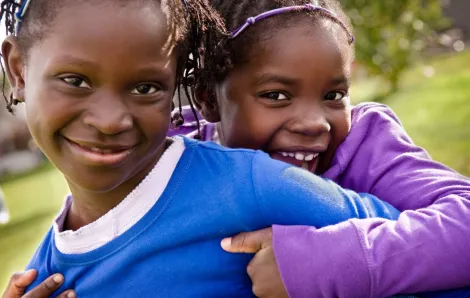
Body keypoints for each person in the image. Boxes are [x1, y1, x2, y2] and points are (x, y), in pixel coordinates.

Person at [0, 0, 401, 297]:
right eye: (75, 80)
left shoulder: (253, 184)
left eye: (145, 88)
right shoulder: (43, 276)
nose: (110, 120)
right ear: (18, 71)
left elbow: (412, 251)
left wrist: (319, 269)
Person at [168, 0, 470, 297]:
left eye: (333, 95)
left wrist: (325, 265)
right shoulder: (179, 158)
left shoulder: (363, 146)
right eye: (276, 95)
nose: (315, 124)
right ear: (209, 100)